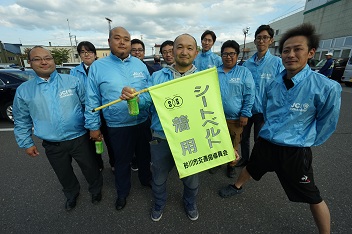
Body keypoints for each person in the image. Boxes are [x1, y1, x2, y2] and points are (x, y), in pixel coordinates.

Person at [218, 23, 342, 234]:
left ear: (311, 52)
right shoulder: (275, 83)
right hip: (267, 141)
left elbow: (327, 123)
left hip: (294, 150)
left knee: (312, 195)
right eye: (286, 50)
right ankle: (236, 186)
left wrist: (306, 139)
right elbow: (267, 109)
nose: (291, 54)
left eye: (297, 49)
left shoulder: (326, 87)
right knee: (252, 166)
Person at [13, 46, 103, 211]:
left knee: (90, 168)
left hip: (79, 138)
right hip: (52, 143)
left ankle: (96, 190)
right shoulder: (24, 91)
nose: (44, 62)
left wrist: (94, 127)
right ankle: (71, 194)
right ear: (30, 63)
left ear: (53, 60)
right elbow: (21, 119)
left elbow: (89, 106)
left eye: (47, 57)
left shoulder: (72, 81)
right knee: (63, 173)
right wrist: (26, 143)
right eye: (38, 59)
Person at [121, 33, 199, 222]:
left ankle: (190, 202)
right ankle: (159, 203)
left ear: (196, 53)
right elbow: (146, 100)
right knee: (159, 178)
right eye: (180, 47)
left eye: (189, 48)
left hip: (192, 137)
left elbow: (213, 110)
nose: (184, 51)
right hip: (161, 137)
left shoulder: (204, 78)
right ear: (172, 51)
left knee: (191, 179)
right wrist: (134, 97)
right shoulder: (157, 76)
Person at [84, 27, 152, 211]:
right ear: (109, 42)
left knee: (145, 156)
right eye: (117, 38)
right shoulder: (98, 67)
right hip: (117, 125)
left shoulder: (140, 65)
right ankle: (122, 192)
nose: (122, 42)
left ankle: (146, 180)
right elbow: (92, 99)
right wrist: (93, 127)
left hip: (142, 121)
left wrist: (140, 100)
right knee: (122, 161)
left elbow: (150, 93)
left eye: (127, 39)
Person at [240, 25, 284, 167]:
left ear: (271, 40)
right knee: (244, 137)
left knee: (259, 139)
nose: (261, 41)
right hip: (248, 109)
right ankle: (245, 159)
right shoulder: (247, 64)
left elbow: (282, 87)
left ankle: (254, 163)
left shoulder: (277, 63)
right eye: (259, 38)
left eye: (265, 38)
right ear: (254, 41)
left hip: (264, 110)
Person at [70, 41, 115, 172]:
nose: (86, 54)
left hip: (105, 109)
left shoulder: (103, 68)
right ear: (79, 55)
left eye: (89, 51)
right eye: (83, 52)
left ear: (95, 54)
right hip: (87, 112)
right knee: (92, 140)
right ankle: (98, 164)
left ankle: (114, 163)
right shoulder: (74, 72)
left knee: (110, 140)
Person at [215, 40, 255, 178]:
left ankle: (231, 165)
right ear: (221, 55)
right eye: (225, 54)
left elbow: (249, 95)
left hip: (235, 118)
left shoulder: (244, 72)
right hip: (216, 117)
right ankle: (218, 162)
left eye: (232, 53)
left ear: (237, 55)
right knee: (217, 141)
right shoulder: (214, 72)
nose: (228, 57)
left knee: (233, 143)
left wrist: (245, 114)